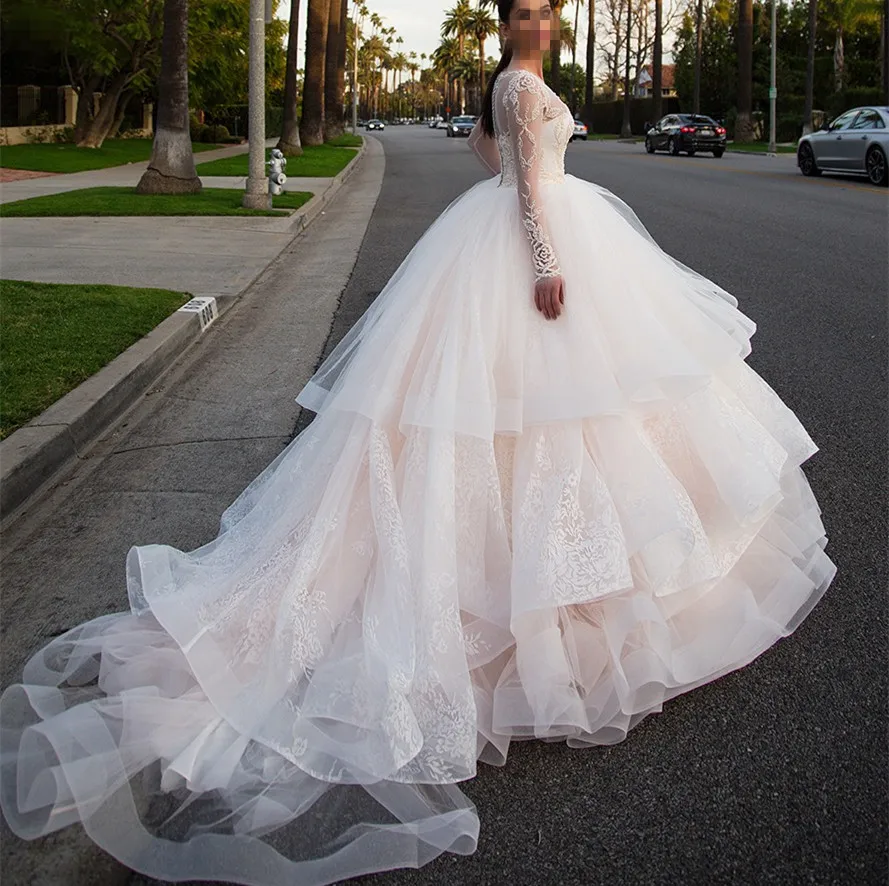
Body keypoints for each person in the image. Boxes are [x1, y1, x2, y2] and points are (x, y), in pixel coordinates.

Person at [0, 1, 837, 884]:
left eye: (545, 13)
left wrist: (534, 193)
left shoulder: (512, 84)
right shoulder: (517, 83)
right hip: (537, 241)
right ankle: (544, 597)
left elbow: (492, 155)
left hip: (530, 230)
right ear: (510, 24)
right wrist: (546, 262)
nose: (539, 25)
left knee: (571, 412)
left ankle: (565, 586)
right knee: (541, 412)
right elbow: (516, 177)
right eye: (526, 13)